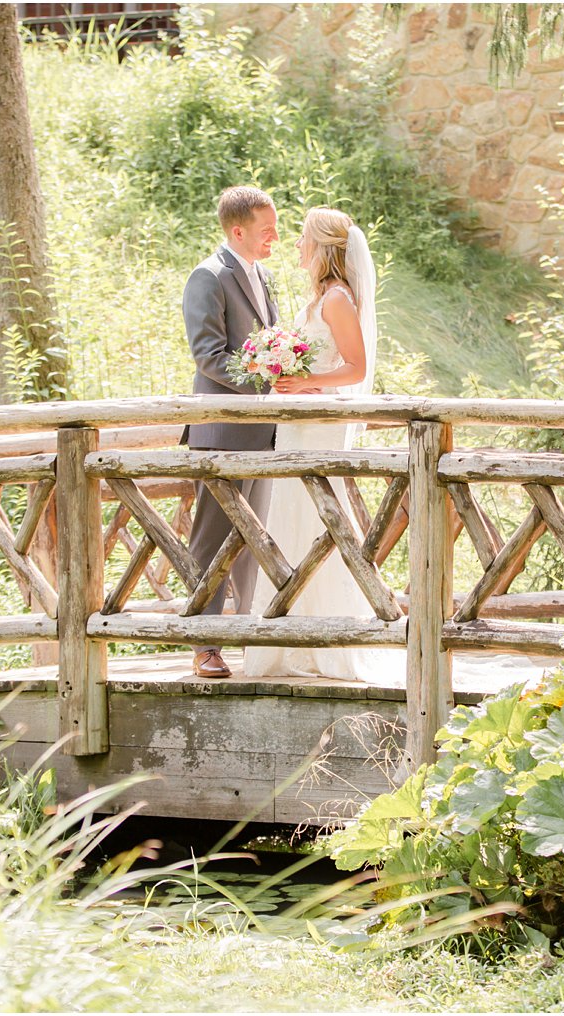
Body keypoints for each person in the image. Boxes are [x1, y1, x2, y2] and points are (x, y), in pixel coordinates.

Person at [245, 207, 404, 681]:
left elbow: (355, 369)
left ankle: (328, 635)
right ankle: (290, 630)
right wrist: (282, 372)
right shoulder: (320, 299)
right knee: (290, 516)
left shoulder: (337, 299)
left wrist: (305, 381)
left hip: (319, 424)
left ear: (322, 248)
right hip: (299, 422)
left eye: (302, 240)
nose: (296, 246)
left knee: (318, 519)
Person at [180, 186, 280, 678]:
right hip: (221, 431)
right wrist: (267, 382)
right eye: (267, 231)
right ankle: (205, 645)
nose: (275, 239)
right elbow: (208, 355)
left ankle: (249, 636)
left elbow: (274, 341)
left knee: (254, 540)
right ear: (237, 231)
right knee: (213, 542)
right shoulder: (208, 276)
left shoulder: (264, 276)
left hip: (264, 433)